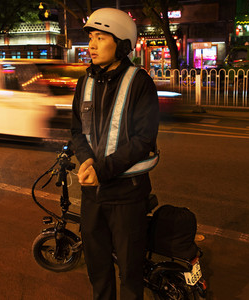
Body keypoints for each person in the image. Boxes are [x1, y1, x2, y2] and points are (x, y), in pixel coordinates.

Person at [71, 7, 160, 300]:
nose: (91, 45)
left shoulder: (140, 82)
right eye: (91, 38)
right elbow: (77, 132)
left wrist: (103, 170)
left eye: (100, 37)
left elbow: (142, 140)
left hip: (127, 196)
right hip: (92, 197)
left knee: (130, 274)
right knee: (98, 271)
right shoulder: (85, 81)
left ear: (121, 44)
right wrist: (84, 159)